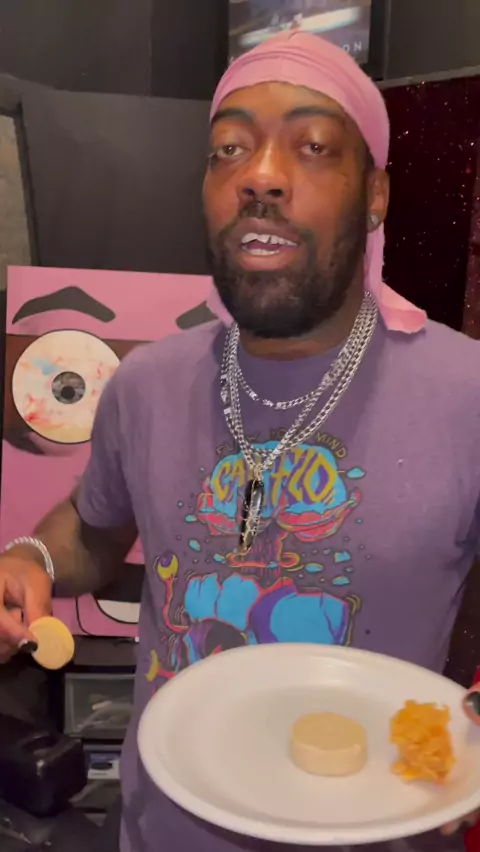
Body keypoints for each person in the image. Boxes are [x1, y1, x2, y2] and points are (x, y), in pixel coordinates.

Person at [0, 30, 479, 852]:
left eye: (313, 145)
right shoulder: (147, 384)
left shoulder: (465, 393)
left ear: (375, 194)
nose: (259, 174)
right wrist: (32, 561)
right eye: (229, 148)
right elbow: (94, 527)